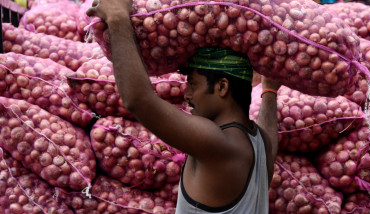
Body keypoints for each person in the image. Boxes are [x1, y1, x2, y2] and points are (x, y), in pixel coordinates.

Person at [87, 0, 280, 213]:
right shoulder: (261, 144)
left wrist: (117, 18)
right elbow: (269, 133)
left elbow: (139, 100)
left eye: (193, 84)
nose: (187, 94)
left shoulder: (218, 144)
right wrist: (269, 91)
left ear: (222, 87)